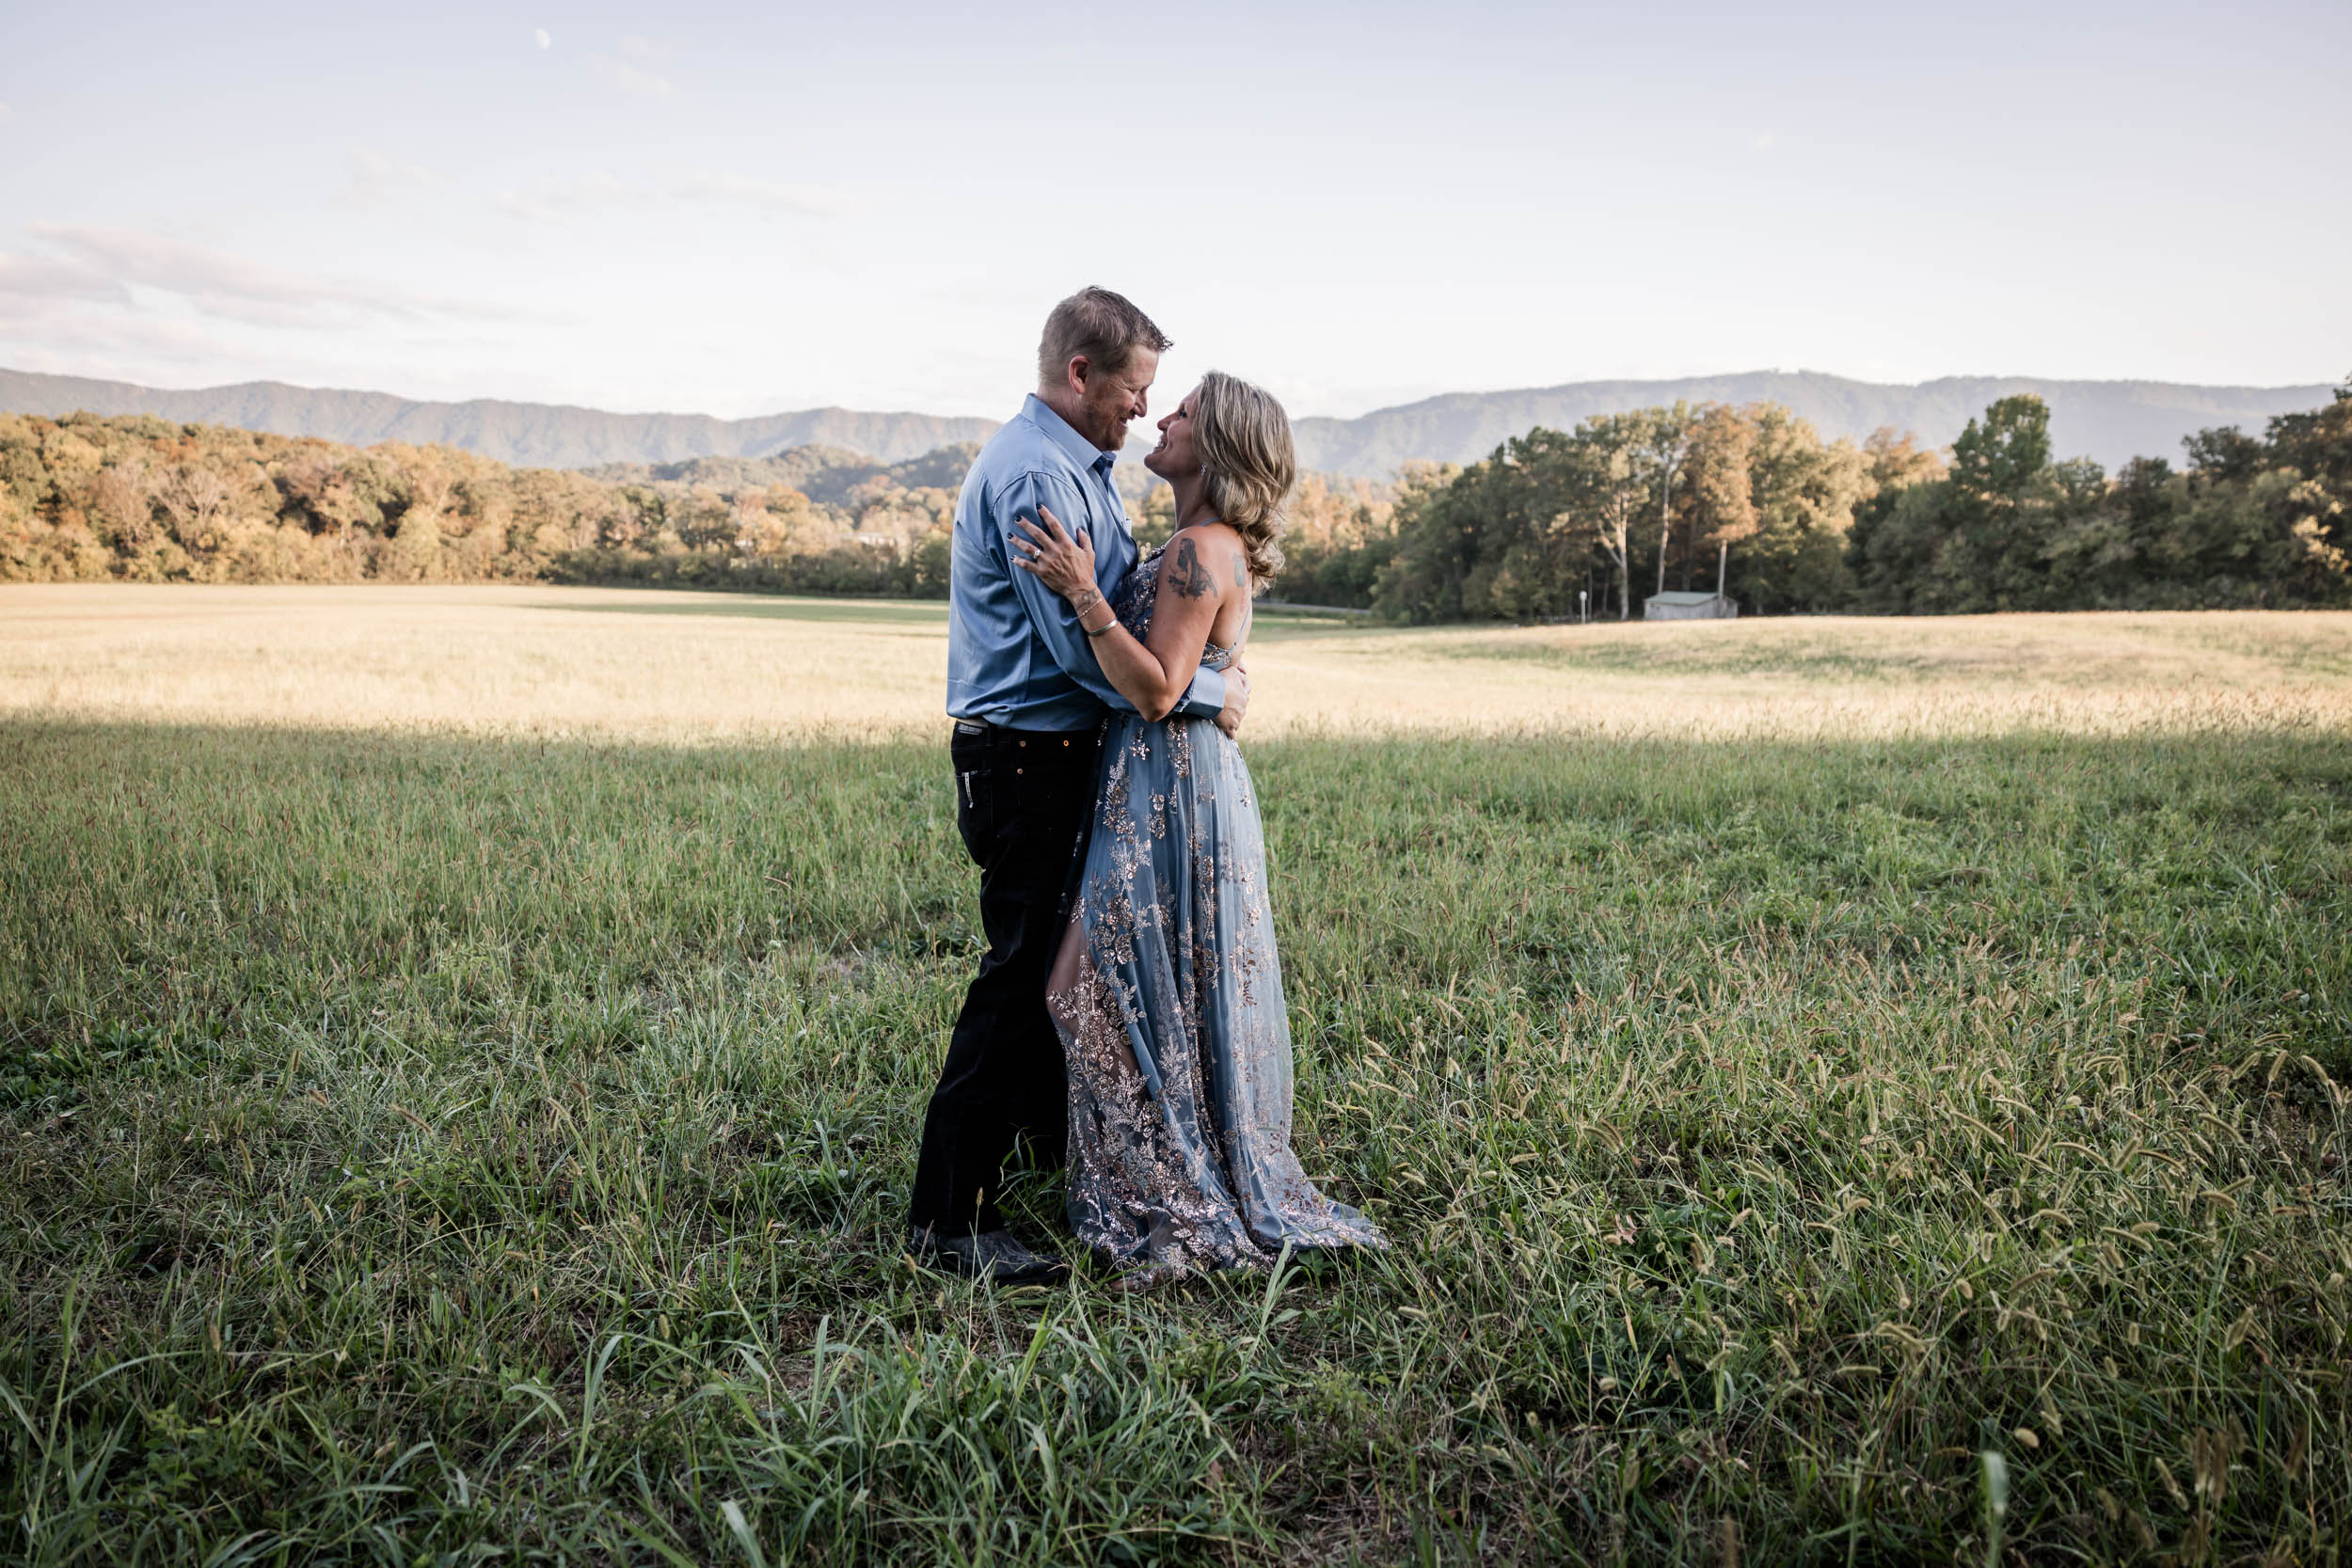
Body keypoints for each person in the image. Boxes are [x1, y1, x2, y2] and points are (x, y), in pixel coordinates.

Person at [1011, 370, 1388, 1283]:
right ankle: (1170, 1166)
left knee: (1082, 986)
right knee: (1157, 992)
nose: (1163, 417)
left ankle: (1173, 1187)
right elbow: (1200, 679)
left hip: (1171, 792)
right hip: (1163, 783)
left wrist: (1081, 591)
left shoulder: (1199, 549)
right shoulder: (1194, 542)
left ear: (1212, 446)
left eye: (1181, 412)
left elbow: (1156, 686)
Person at [909, 287, 1248, 1285]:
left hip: (1053, 759)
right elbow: (1089, 660)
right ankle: (947, 1220)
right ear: (1080, 375)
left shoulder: (1078, 468)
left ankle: (1042, 1163)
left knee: (1057, 975)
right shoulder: (1035, 479)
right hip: (1024, 761)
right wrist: (1209, 685)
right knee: (1020, 982)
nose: (1143, 408)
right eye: (1135, 388)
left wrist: (1208, 669)